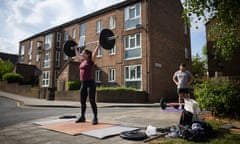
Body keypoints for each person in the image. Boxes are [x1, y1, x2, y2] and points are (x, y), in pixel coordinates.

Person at [74, 42, 100, 125]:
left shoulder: (91, 61)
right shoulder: (82, 61)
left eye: (84, 53)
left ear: (88, 54)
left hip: (90, 84)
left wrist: (98, 46)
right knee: (82, 101)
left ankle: (95, 118)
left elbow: (95, 53)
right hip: (83, 84)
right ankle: (82, 117)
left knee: (92, 100)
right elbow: (77, 55)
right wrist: (75, 49)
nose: (82, 53)